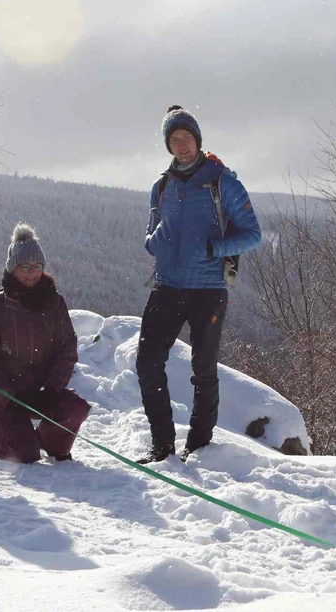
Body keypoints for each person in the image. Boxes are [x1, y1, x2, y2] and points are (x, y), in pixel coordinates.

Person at [135, 105, 261, 463]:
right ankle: (162, 445)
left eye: (186, 137)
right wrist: (152, 241)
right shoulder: (162, 185)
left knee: (203, 370)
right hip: (167, 285)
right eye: (174, 140)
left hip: (207, 289)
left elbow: (253, 234)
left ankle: (199, 447)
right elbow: (150, 231)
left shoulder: (222, 181)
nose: (181, 145)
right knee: (147, 363)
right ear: (168, 146)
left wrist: (215, 247)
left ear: (197, 139)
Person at [0, 224, 91, 464]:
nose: (32, 273)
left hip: (41, 392)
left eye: (37, 267)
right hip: (4, 396)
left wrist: (51, 390)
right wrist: (10, 395)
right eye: (25, 267)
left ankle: (48, 442)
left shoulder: (55, 303)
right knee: (22, 454)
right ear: (13, 269)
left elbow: (66, 351)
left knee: (76, 408)